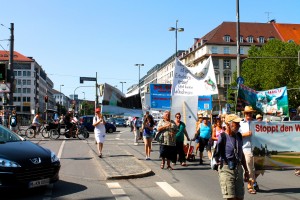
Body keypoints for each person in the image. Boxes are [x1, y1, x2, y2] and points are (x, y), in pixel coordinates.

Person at [214, 114, 250, 199]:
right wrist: (219, 167)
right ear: (229, 124)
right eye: (236, 123)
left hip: (238, 169)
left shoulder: (239, 136)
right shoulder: (222, 137)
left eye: (238, 123)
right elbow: (216, 154)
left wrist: (246, 170)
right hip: (226, 169)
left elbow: (241, 154)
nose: (239, 125)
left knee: (240, 197)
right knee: (230, 198)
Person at [239, 105, 258, 193]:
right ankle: (250, 185)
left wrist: (268, 122)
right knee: (249, 167)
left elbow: (265, 129)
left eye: (250, 113)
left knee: (261, 168)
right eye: (247, 113)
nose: (248, 114)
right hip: (246, 148)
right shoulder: (240, 123)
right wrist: (245, 134)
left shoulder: (257, 122)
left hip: (257, 148)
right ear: (244, 114)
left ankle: (253, 179)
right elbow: (237, 135)